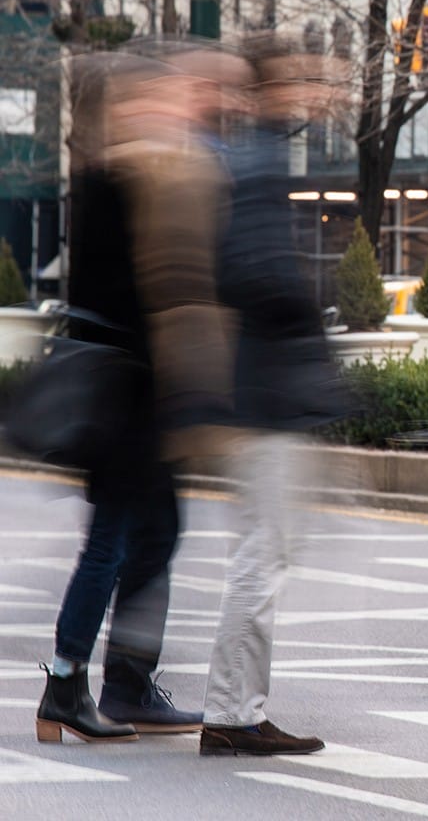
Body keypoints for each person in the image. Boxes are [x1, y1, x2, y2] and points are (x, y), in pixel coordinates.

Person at [37, 54, 237, 743]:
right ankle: (68, 681)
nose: (167, 109)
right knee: (113, 542)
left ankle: (124, 680)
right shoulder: (114, 180)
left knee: (154, 532)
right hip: (124, 397)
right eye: (152, 99)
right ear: (121, 107)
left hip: (135, 395)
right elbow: (137, 293)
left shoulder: (120, 175)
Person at [195, 37, 348, 757]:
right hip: (266, 389)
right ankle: (230, 712)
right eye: (299, 79)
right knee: (262, 556)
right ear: (270, 90)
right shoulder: (255, 159)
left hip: (260, 386)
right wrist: (313, 336)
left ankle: (238, 709)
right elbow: (258, 274)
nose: (313, 91)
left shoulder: (250, 156)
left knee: (262, 553)